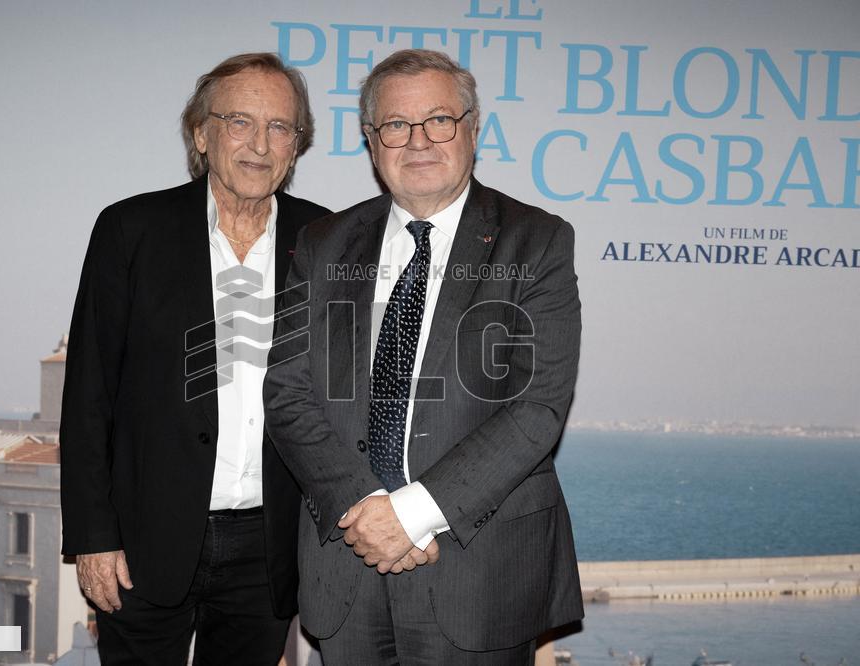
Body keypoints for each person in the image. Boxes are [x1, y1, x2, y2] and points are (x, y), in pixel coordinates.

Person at [263, 49, 583, 665]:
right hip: (346, 562)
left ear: (471, 127)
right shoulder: (323, 244)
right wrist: (366, 511)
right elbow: (288, 390)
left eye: (438, 120)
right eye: (395, 125)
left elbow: (537, 407)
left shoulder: (536, 241)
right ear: (370, 140)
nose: (418, 141)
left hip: (479, 573)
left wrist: (410, 516)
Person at [59, 52, 329, 665]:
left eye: (280, 127)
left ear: (296, 146)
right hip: (141, 541)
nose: (260, 143)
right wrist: (94, 538)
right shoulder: (130, 231)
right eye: (240, 122)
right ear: (202, 134)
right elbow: (88, 396)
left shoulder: (327, 241)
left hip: (270, 547)